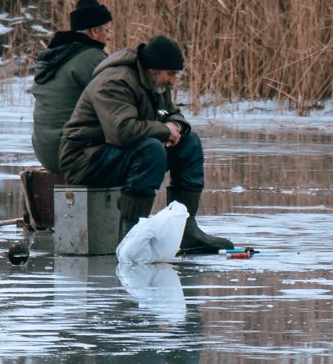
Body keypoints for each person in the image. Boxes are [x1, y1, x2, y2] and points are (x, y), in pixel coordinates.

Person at [58, 34, 233, 254]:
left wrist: (175, 127)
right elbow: (121, 132)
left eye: (176, 74)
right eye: (171, 74)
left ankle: (185, 231)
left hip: (118, 153)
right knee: (150, 150)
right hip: (85, 160)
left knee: (190, 144)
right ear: (152, 70)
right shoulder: (115, 81)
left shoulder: (155, 82)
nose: (174, 81)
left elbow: (174, 115)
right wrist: (164, 131)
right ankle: (131, 237)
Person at [29, 0, 113, 174]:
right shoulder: (93, 57)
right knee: (144, 149)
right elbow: (114, 104)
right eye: (107, 30)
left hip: (46, 153)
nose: (109, 36)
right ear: (94, 32)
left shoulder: (57, 54)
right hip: (72, 155)